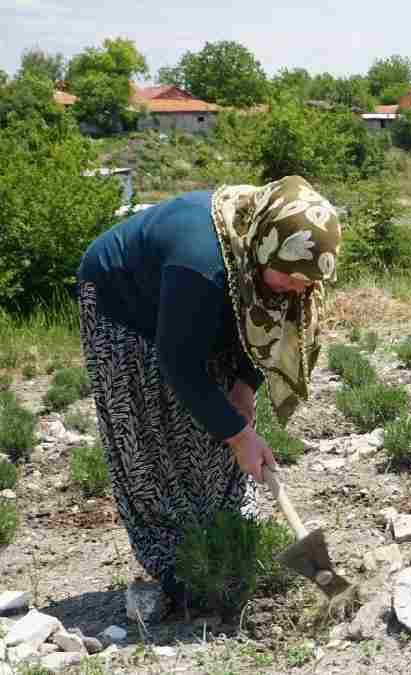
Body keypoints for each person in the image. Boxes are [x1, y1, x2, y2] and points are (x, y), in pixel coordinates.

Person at [76, 176, 341, 610]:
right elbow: (178, 362)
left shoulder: (275, 262)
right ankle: (182, 565)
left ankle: (228, 535)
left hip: (198, 303)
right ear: (262, 247)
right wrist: (238, 436)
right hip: (125, 301)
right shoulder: (202, 264)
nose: (300, 288)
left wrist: (243, 388)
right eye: (291, 276)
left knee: (217, 421)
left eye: (308, 281)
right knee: (152, 434)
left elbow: (262, 330)